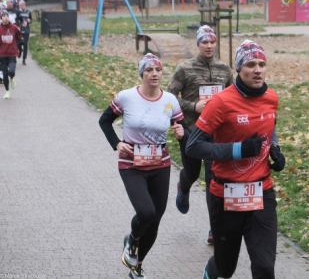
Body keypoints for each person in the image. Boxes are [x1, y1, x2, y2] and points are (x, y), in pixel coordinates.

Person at [187, 39, 286, 279]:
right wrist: (238, 150)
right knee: (225, 267)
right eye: (251, 64)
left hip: (262, 192)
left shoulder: (271, 97)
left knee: (264, 268)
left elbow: (268, 124)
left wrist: (274, 147)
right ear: (239, 68)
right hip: (226, 194)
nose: (258, 69)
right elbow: (194, 146)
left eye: (262, 63)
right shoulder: (221, 103)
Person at [98, 53, 187, 279]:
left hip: (160, 165)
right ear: (142, 74)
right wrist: (117, 143)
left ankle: (136, 265)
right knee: (146, 212)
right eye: (149, 70)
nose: (154, 74)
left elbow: (182, 127)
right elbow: (105, 120)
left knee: (155, 220)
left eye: (158, 69)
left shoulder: (170, 100)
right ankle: (132, 239)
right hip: (132, 165)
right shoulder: (127, 97)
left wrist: (181, 133)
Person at [167, 25, 234, 244]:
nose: (208, 46)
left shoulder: (225, 69)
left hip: (216, 132)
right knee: (193, 173)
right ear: (198, 44)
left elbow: (235, 96)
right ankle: (183, 185)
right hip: (192, 131)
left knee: (213, 178)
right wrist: (194, 107)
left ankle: (214, 228)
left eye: (212, 42)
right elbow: (168, 97)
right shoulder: (185, 69)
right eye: (204, 42)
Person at [0, 10, 23, 99]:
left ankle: (12, 79)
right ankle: (7, 92)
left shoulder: (14, 27)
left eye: (7, 16)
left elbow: (19, 36)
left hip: (12, 53)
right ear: (1, 18)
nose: (6, 17)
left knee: (11, 71)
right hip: (2, 55)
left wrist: (21, 44)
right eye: (4, 16)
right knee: (5, 74)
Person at [16, 0, 31, 65]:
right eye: (21, 5)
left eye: (24, 4)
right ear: (19, 5)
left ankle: (24, 59)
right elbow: (15, 20)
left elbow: (31, 20)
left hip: (26, 30)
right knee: (18, 44)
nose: (23, 6)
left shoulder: (28, 12)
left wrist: (29, 20)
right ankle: (20, 50)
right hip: (19, 30)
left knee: (25, 44)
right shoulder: (17, 12)